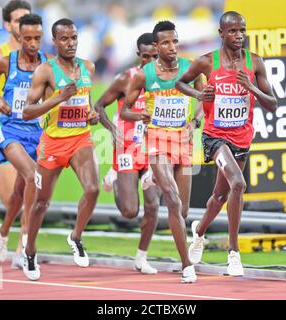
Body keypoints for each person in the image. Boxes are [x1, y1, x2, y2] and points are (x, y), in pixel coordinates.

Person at [176, 11, 277, 276]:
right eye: (232, 31)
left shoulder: (254, 63)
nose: (238, 36)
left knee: (219, 197)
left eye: (242, 31)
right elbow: (179, 82)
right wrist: (200, 93)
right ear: (221, 33)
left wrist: (252, 88)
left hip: (242, 137)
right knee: (239, 184)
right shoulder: (208, 62)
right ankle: (233, 252)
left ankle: (198, 232)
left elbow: (273, 104)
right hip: (215, 137)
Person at [120, 21, 204, 283]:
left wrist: (194, 121)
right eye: (166, 43)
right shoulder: (144, 75)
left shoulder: (191, 67)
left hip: (184, 142)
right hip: (157, 141)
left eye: (175, 42)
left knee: (184, 210)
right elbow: (125, 110)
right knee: (172, 199)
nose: (172, 47)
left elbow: (203, 99)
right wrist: (139, 114)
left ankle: (155, 179)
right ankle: (187, 265)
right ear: (156, 46)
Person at [22, 18, 100, 281]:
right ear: (54, 42)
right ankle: (30, 251)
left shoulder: (88, 66)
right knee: (41, 202)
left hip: (81, 138)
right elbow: (27, 112)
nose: (70, 43)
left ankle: (75, 236)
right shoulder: (45, 71)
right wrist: (58, 98)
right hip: (53, 142)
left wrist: (91, 116)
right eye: (64, 39)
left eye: (74, 38)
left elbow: (87, 103)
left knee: (93, 189)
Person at [0, 14, 50, 269]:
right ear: (19, 36)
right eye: (27, 38)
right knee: (31, 177)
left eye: (37, 38)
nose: (33, 44)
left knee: (18, 193)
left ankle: (4, 230)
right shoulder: (7, 62)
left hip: (36, 133)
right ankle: (27, 246)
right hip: (11, 131)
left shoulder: (48, 64)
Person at [95, 33, 160, 275]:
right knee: (130, 211)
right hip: (127, 149)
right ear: (138, 56)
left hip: (154, 148)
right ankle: (113, 175)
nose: (151, 61)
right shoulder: (126, 78)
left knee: (153, 204)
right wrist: (112, 130)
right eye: (146, 57)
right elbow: (99, 106)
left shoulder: (167, 79)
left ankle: (141, 258)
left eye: (155, 56)